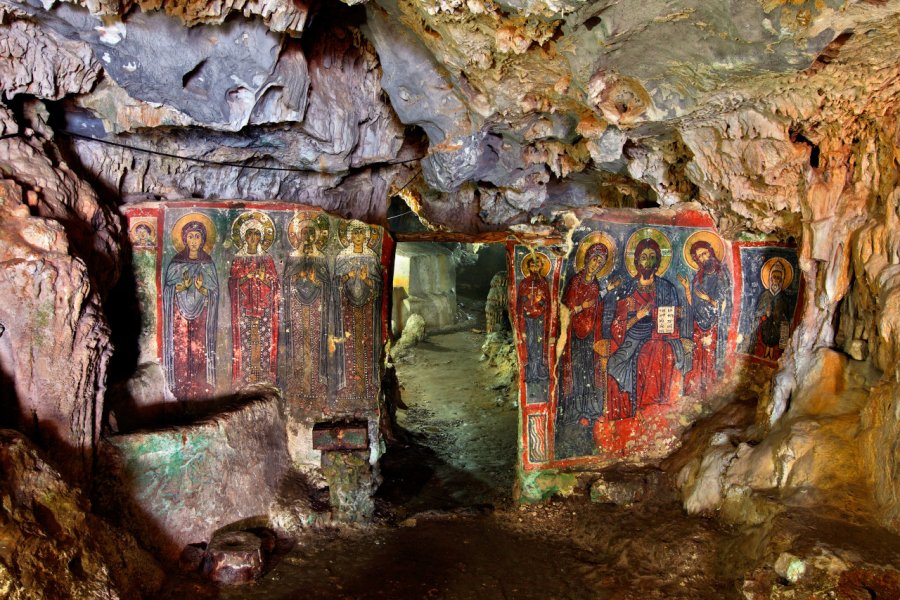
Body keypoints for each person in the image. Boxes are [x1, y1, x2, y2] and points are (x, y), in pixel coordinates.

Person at [606, 237, 693, 419]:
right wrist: (638, 316)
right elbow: (617, 324)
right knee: (614, 363)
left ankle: (653, 406)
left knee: (655, 352)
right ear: (636, 261)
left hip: (659, 336)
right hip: (632, 336)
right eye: (643, 256)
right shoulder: (627, 288)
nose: (647, 261)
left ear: (658, 261)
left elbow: (673, 320)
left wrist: (676, 314)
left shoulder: (666, 288)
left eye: (652, 256)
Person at [557, 242, 619, 426]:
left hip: (590, 332)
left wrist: (608, 289)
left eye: (600, 263)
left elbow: (596, 303)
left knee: (589, 371)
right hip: (574, 333)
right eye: (594, 260)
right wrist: (580, 307)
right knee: (576, 371)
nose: (596, 264)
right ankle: (575, 410)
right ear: (586, 260)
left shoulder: (596, 283)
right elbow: (567, 307)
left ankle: (590, 409)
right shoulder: (575, 281)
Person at [162, 220, 219, 400]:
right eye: (190, 236)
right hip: (179, 314)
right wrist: (181, 287)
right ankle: (179, 385)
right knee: (180, 347)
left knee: (199, 347)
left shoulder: (208, 263)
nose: (194, 240)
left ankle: (200, 384)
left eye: (197, 236)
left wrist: (202, 289)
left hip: (201, 315)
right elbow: (166, 291)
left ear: (203, 240)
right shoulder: (175, 263)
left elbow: (214, 293)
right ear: (184, 239)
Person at [331, 221, 383, 404]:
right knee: (349, 344)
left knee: (367, 344)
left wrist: (366, 279)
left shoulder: (372, 258)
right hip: (347, 307)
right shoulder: (342, 257)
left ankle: (368, 386)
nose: (358, 237)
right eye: (354, 234)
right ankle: (349, 386)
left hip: (368, 307)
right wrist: (347, 277)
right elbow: (336, 283)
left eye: (361, 233)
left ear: (367, 236)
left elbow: (378, 287)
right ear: (349, 237)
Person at [283, 217, 330, 403]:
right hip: (296, 307)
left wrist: (317, 280)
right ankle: (298, 385)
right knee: (298, 343)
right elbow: (286, 282)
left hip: (317, 309)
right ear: (298, 236)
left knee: (315, 342)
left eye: (312, 233)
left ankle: (316, 384)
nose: (308, 236)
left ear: (317, 236)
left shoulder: (322, 258)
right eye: (304, 232)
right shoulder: (293, 258)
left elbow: (327, 284)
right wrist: (296, 277)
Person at [228, 216, 279, 387]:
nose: (252, 238)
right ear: (244, 237)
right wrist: (245, 277)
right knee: (246, 340)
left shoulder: (267, 259)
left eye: (256, 234)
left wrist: (265, 279)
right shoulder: (238, 258)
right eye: (249, 234)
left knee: (262, 339)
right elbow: (232, 281)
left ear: (261, 238)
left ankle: (262, 373)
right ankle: (246, 374)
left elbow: (274, 282)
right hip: (244, 307)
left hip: (263, 307)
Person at [678, 240, 732, 395]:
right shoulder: (698, 277)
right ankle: (693, 391)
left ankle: (709, 392)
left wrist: (707, 298)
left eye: (704, 253)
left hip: (713, 324)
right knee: (696, 358)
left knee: (709, 358)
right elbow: (692, 302)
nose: (703, 258)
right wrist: (688, 288)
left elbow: (721, 302)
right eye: (699, 257)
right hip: (698, 324)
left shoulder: (721, 274)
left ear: (711, 252)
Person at [516, 253, 551, 388]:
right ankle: (530, 373)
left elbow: (547, 301)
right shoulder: (524, 283)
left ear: (541, 266)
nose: (535, 267)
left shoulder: (543, 282)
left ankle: (539, 373)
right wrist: (527, 296)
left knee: (540, 345)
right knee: (530, 345)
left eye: (537, 265)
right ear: (528, 267)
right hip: (528, 319)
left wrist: (539, 300)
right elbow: (520, 302)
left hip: (540, 319)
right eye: (532, 265)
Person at [751, 260, 792, 360]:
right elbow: (757, 312)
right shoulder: (765, 295)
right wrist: (765, 313)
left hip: (778, 330)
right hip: (765, 329)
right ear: (770, 278)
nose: (776, 280)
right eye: (774, 277)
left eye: (778, 278)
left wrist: (779, 316)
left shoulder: (783, 297)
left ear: (781, 280)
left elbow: (787, 317)